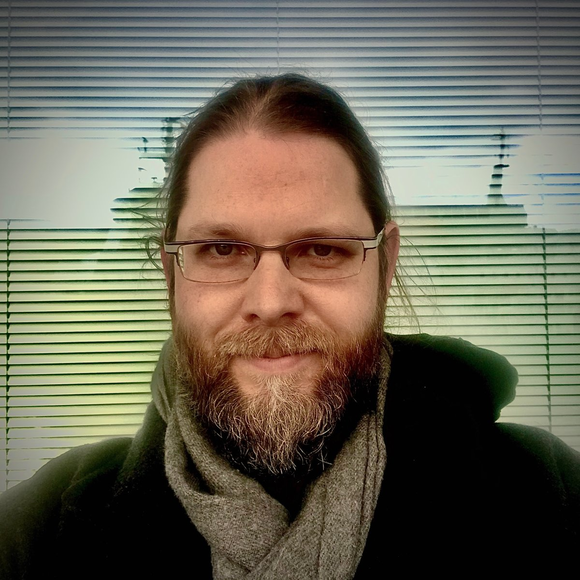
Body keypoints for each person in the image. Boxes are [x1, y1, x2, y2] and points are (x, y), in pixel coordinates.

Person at [1, 73, 579, 579]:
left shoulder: (549, 498)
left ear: (385, 266)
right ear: (172, 275)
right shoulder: (41, 529)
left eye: (322, 249)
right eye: (221, 249)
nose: (271, 300)